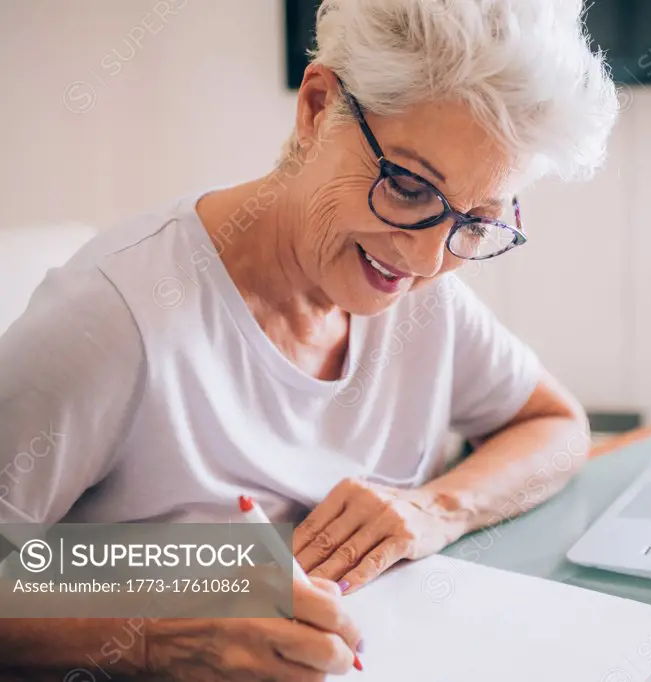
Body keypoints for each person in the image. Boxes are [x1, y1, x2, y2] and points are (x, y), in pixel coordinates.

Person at [0, 0, 617, 678]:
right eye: (409, 186)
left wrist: (436, 507)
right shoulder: (115, 317)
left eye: (475, 222)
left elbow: (559, 425)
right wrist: (155, 636)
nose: (425, 259)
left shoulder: (429, 303)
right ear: (319, 107)